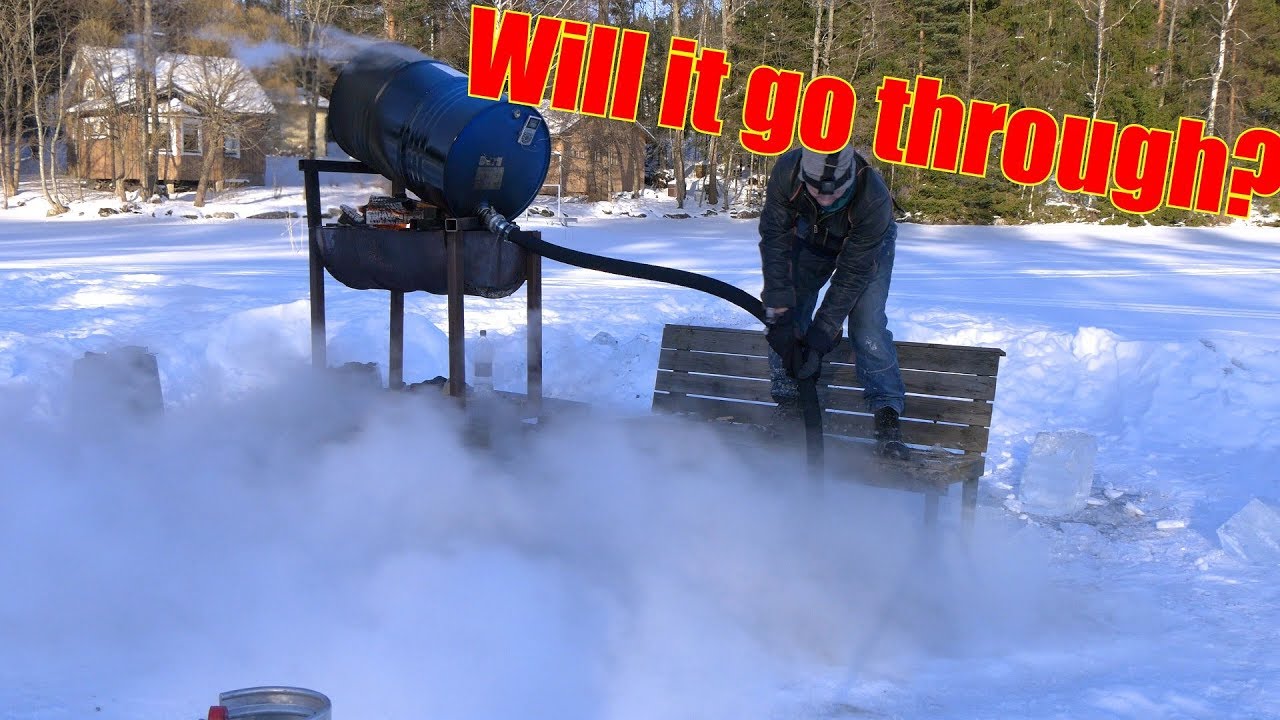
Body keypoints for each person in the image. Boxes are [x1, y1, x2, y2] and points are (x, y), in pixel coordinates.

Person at [758, 143, 910, 460]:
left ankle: (886, 415)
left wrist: (822, 333)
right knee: (788, 314)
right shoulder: (787, 173)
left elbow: (852, 274)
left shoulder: (873, 197)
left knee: (866, 324)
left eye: (835, 192)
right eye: (817, 191)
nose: (826, 198)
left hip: (867, 243)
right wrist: (779, 309)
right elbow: (775, 242)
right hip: (811, 234)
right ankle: (790, 403)